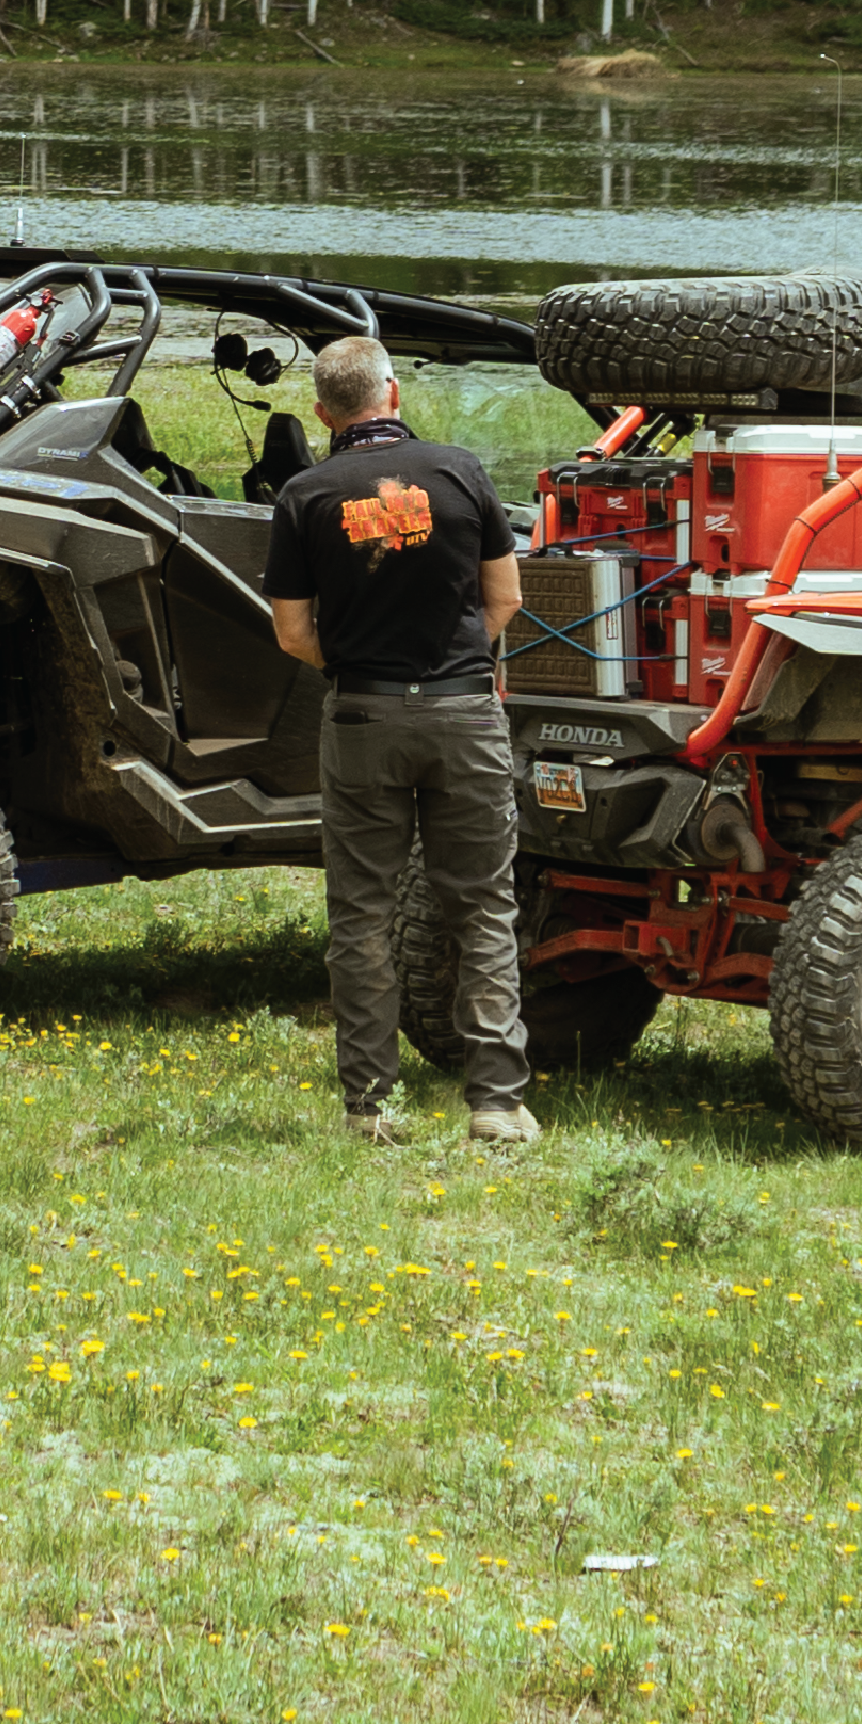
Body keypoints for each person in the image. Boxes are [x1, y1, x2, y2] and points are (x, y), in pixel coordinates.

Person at [261, 338, 538, 1148]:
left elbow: (290, 632)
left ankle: (370, 1109)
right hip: (463, 714)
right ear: (392, 392)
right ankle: (494, 1103)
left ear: (322, 413)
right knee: (482, 905)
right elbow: (506, 598)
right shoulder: (460, 473)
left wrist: (353, 664)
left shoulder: (306, 495)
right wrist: (453, 665)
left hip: (362, 717)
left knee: (363, 913)